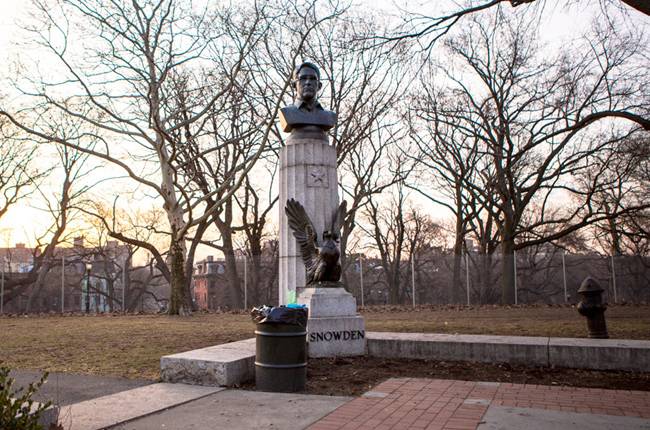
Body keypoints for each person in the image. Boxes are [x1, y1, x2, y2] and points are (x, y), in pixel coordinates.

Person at [279, 62, 337, 134]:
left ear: (319, 86)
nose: (308, 82)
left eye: (312, 79)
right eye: (303, 78)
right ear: (294, 85)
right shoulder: (286, 113)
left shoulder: (329, 116)